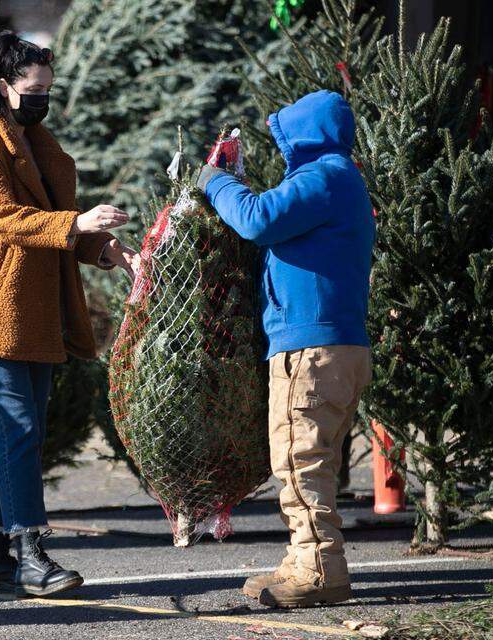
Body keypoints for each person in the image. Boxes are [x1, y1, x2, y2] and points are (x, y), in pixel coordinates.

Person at [0, 32, 138, 597]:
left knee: (22, 435)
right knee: (19, 431)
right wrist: (79, 225)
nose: (44, 97)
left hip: (32, 312)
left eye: (49, 88)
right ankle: (31, 554)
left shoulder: (36, 143)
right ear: (4, 86)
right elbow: (6, 219)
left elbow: (56, 222)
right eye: (34, 88)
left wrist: (109, 251)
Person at [198, 90, 375, 608]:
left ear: (304, 136)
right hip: (329, 345)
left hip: (313, 350)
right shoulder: (337, 180)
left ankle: (321, 569)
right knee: (307, 461)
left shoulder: (324, 176)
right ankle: (303, 558)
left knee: (300, 462)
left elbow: (257, 219)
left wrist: (216, 182)